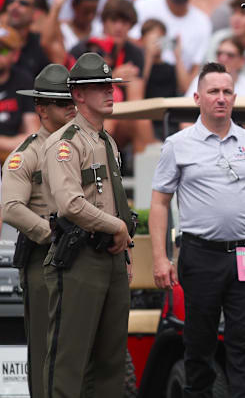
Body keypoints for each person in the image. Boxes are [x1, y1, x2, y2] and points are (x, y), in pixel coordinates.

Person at [149, 62, 245, 397]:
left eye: (227, 92)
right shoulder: (177, 144)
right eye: (213, 92)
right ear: (197, 98)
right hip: (200, 254)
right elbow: (159, 203)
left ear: (234, 97)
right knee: (199, 346)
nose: (220, 98)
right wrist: (160, 258)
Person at [41, 52, 134, 398]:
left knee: (111, 361)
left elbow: (113, 200)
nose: (110, 92)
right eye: (99, 87)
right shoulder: (65, 143)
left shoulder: (107, 141)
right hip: (79, 257)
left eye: (110, 85)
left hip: (109, 255)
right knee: (69, 360)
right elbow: (70, 204)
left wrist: (123, 253)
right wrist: (117, 227)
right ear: (78, 95)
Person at [1, 63, 76, 398]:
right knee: (47, 347)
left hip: (82, 257)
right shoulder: (28, 153)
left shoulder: (79, 145)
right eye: (62, 103)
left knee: (78, 348)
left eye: (72, 101)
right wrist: (51, 234)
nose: (71, 108)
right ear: (42, 109)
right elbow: (10, 207)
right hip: (44, 257)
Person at [130, 0, 212, 93]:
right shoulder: (143, 5)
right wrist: (149, 54)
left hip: (175, 92)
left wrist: (178, 56)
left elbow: (188, 88)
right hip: (139, 82)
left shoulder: (202, 22)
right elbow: (128, 44)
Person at [0, 25, 40, 156]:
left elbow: (33, 136)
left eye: (3, 50)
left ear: (15, 55)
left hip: (13, 159)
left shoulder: (23, 81)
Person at [3, 0, 51, 76]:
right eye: (11, 1)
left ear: (35, 14)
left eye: (23, 3)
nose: (15, 6)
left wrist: (57, 8)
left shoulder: (40, 44)